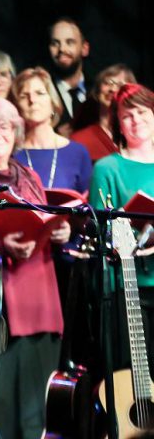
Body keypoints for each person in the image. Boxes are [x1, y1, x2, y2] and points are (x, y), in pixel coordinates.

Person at [0, 97, 68, 438]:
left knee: (38, 412)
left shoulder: (29, 174)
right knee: (0, 410)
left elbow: (43, 220)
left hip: (41, 300)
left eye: (4, 127)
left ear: (16, 132)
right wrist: (1, 246)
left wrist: (60, 230)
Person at [89, 83, 154, 372]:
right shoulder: (107, 168)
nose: (136, 120)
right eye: (127, 116)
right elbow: (99, 230)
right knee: (131, 374)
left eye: (142, 112)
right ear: (118, 124)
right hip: (128, 287)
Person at [11, 67, 91, 192]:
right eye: (24, 96)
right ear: (17, 107)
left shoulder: (78, 153)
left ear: (53, 102)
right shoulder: (11, 155)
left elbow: (89, 207)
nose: (32, 100)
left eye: (40, 93)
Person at [71, 63, 137, 162]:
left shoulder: (140, 135)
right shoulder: (80, 140)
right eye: (107, 83)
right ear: (97, 91)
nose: (112, 89)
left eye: (120, 85)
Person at [47, 17, 90, 130]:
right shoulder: (42, 92)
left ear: (84, 48)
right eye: (55, 43)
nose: (62, 49)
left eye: (69, 42)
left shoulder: (99, 90)